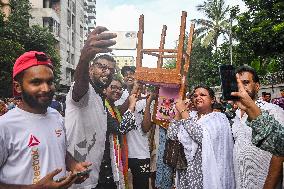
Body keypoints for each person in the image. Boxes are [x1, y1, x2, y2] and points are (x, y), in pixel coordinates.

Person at [0, 51, 91, 189]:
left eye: (50, 82)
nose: (46, 88)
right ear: (18, 87)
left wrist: (74, 166)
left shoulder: (56, 117)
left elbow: (60, 151)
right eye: (36, 82)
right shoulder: (5, 126)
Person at [64, 26, 117, 188]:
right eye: (102, 66)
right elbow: (80, 83)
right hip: (74, 180)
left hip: (92, 179)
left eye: (111, 70)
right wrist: (84, 57)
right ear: (91, 68)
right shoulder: (84, 91)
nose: (107, 72)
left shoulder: (102, 98)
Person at [167, 85, 235, 189]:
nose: (198, 97)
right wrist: (179, 112)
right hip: (185, 172)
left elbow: (200, 136)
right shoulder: (190, 116)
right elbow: (172, 135)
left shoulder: (218, 119)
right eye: (195, 96)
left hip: (205, 174)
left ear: (212, 100)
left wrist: (183, 112)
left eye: (202, 95)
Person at [231, 65, 284, 189]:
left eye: (246, 82)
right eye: (238, 84)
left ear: (257, 86)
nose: (241, 87)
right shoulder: (237, 115)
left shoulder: (272, 110)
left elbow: (279, 155)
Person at [115, 66, 156, 189]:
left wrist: (148, 103)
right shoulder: (118, 95)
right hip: (121, 152)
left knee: (141, 186)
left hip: (140, 152)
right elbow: (118, 116)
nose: (128, 76)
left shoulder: (147, 97)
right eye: (125, 74)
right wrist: (133, 94)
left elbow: (145, 128)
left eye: (132, 73)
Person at [97, 78, 138, 189]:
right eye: (113, 87)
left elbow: (122, 109)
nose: (117, 91)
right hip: (103, 161)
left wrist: (133, 91)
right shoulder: (103, 108)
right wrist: (132, 105)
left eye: (120, 89)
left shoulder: (113, 108)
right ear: (105, 90)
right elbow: (120, 129)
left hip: (110, 158)